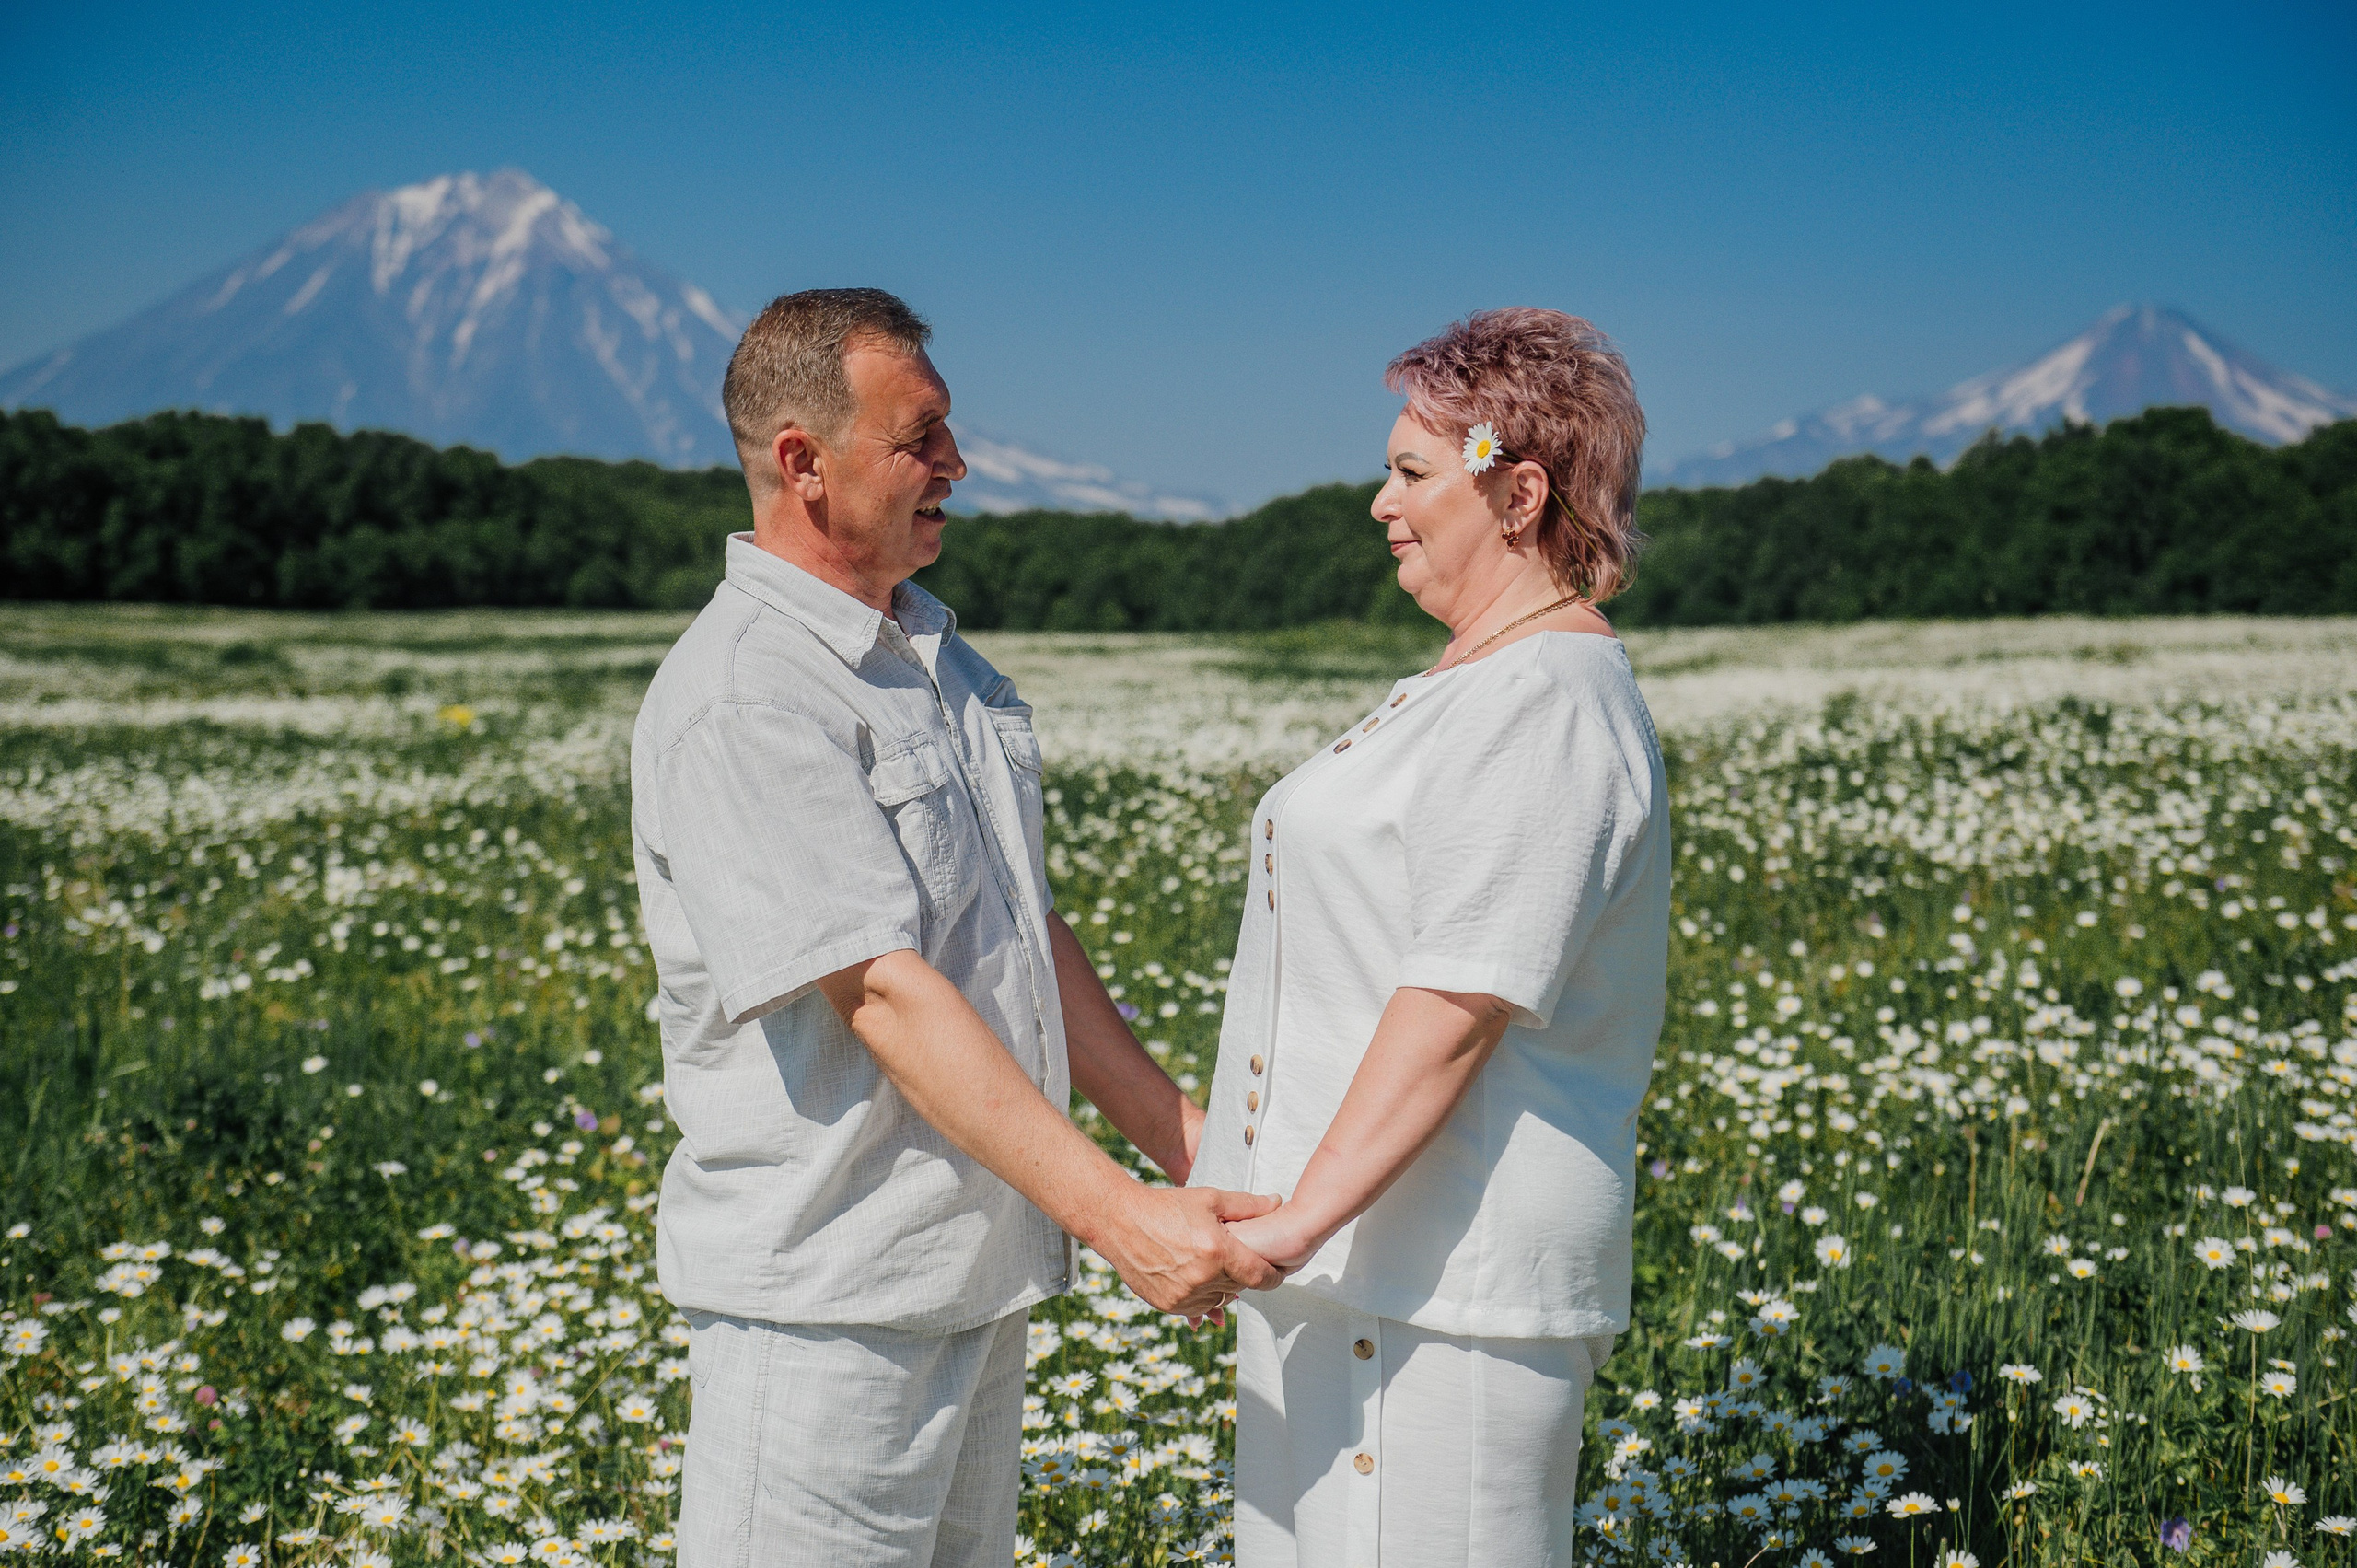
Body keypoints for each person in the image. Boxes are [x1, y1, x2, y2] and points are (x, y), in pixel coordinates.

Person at [631, 288, 1280, 1568]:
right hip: (827, 1308)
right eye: (921, 438)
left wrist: (1184, 1144)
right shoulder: (747, 695)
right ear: (803, 463)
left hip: (971, 1283)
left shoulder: (945, 668)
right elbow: (880, 991)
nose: (957, 467)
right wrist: (1116, 1215)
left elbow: (1024, 932)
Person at [1195, 308, 1670, 1565]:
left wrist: (1297, 1222)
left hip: (1447, 1297)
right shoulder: (1474, 686)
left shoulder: (1549, 700)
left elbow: (1464, 995)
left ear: (1516, 494)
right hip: (1354, 1277)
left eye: (1411, 472)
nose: (1378, 503)